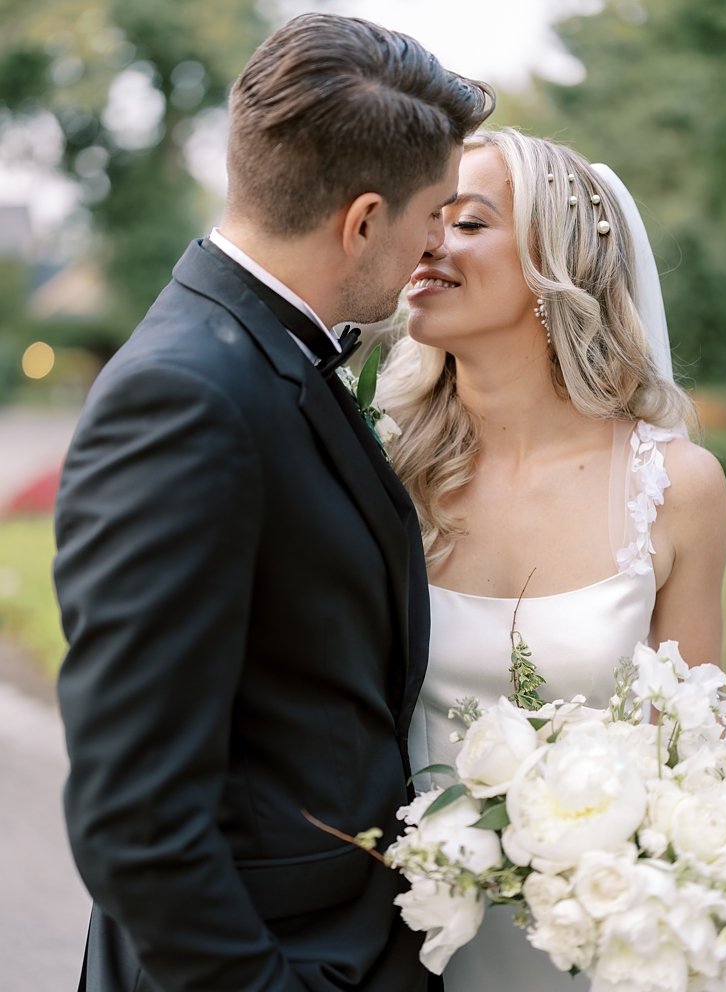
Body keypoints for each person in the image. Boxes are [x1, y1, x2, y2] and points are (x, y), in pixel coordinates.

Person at [51, 15, 492, 991]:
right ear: (364, 219)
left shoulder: (265, 351)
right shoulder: (184, 397)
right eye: (435, 212)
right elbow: (133, 812)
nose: (434, 244)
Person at [377, 127, 726, 986]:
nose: (429, 243)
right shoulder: (381, 472)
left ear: (554, 263)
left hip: (594, 945)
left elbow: (692, 770)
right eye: (429, 216)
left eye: (468, 223)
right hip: (399, 943)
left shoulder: (677, 487)